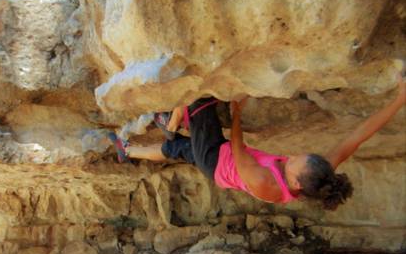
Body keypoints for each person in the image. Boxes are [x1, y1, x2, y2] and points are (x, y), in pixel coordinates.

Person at [108, 76, 406, 210]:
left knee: (200, 99)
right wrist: (400, 98)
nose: (288, 156)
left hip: (218, 160)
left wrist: (237, 112)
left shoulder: (268, 184)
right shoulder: (321, 171)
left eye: (291, 162)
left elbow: (238, 151)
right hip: (222, 160)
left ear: (296, 184)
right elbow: (359, 135)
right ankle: (128, 150)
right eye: (298, 154)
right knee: (175, 150)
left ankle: (171, 123)